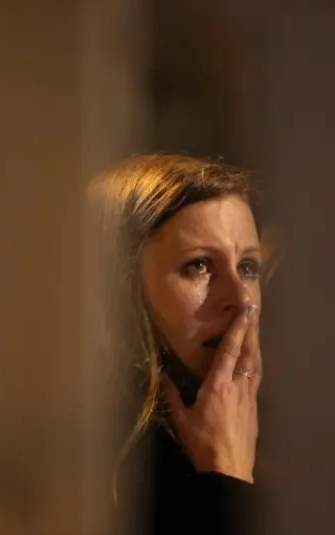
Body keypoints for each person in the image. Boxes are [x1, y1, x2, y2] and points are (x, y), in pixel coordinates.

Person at [85, 154, 276, 535]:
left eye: (247, 267)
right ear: (119, 286)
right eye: (199, 265)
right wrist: (224, 477)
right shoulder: (99, 469)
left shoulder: (288, 449)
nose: (242, 300)